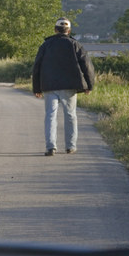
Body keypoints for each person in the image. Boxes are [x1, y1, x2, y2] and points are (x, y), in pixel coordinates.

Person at [32, 18, 95, 156]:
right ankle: (70, 146)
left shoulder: (46, 45)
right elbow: (87, 65)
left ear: (55, 30)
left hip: (49, 86)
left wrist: (36, 88)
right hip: (69, 86)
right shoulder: (75, 44)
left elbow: (37, 66)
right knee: (70, 115)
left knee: (50, 115)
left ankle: (51, 147)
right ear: (69, 30)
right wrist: (89, 85)